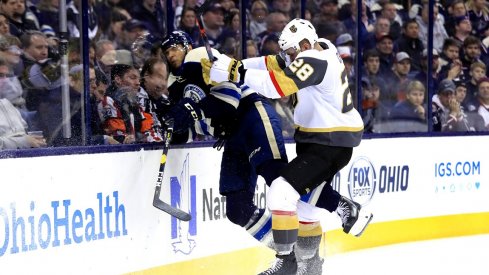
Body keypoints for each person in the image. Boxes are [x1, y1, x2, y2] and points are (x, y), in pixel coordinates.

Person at [204, 18, 373, 274]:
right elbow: (271, 64)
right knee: (305, 209)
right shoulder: (320, 47)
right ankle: (311, 265)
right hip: (320, 140)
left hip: (329, 142)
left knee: (280, 193)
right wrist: (230, 64)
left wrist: (233, 71)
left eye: (292, 52)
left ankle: (287, 263)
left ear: (305, 44)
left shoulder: (315, 60)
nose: (288, 58)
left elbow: (275, 86)